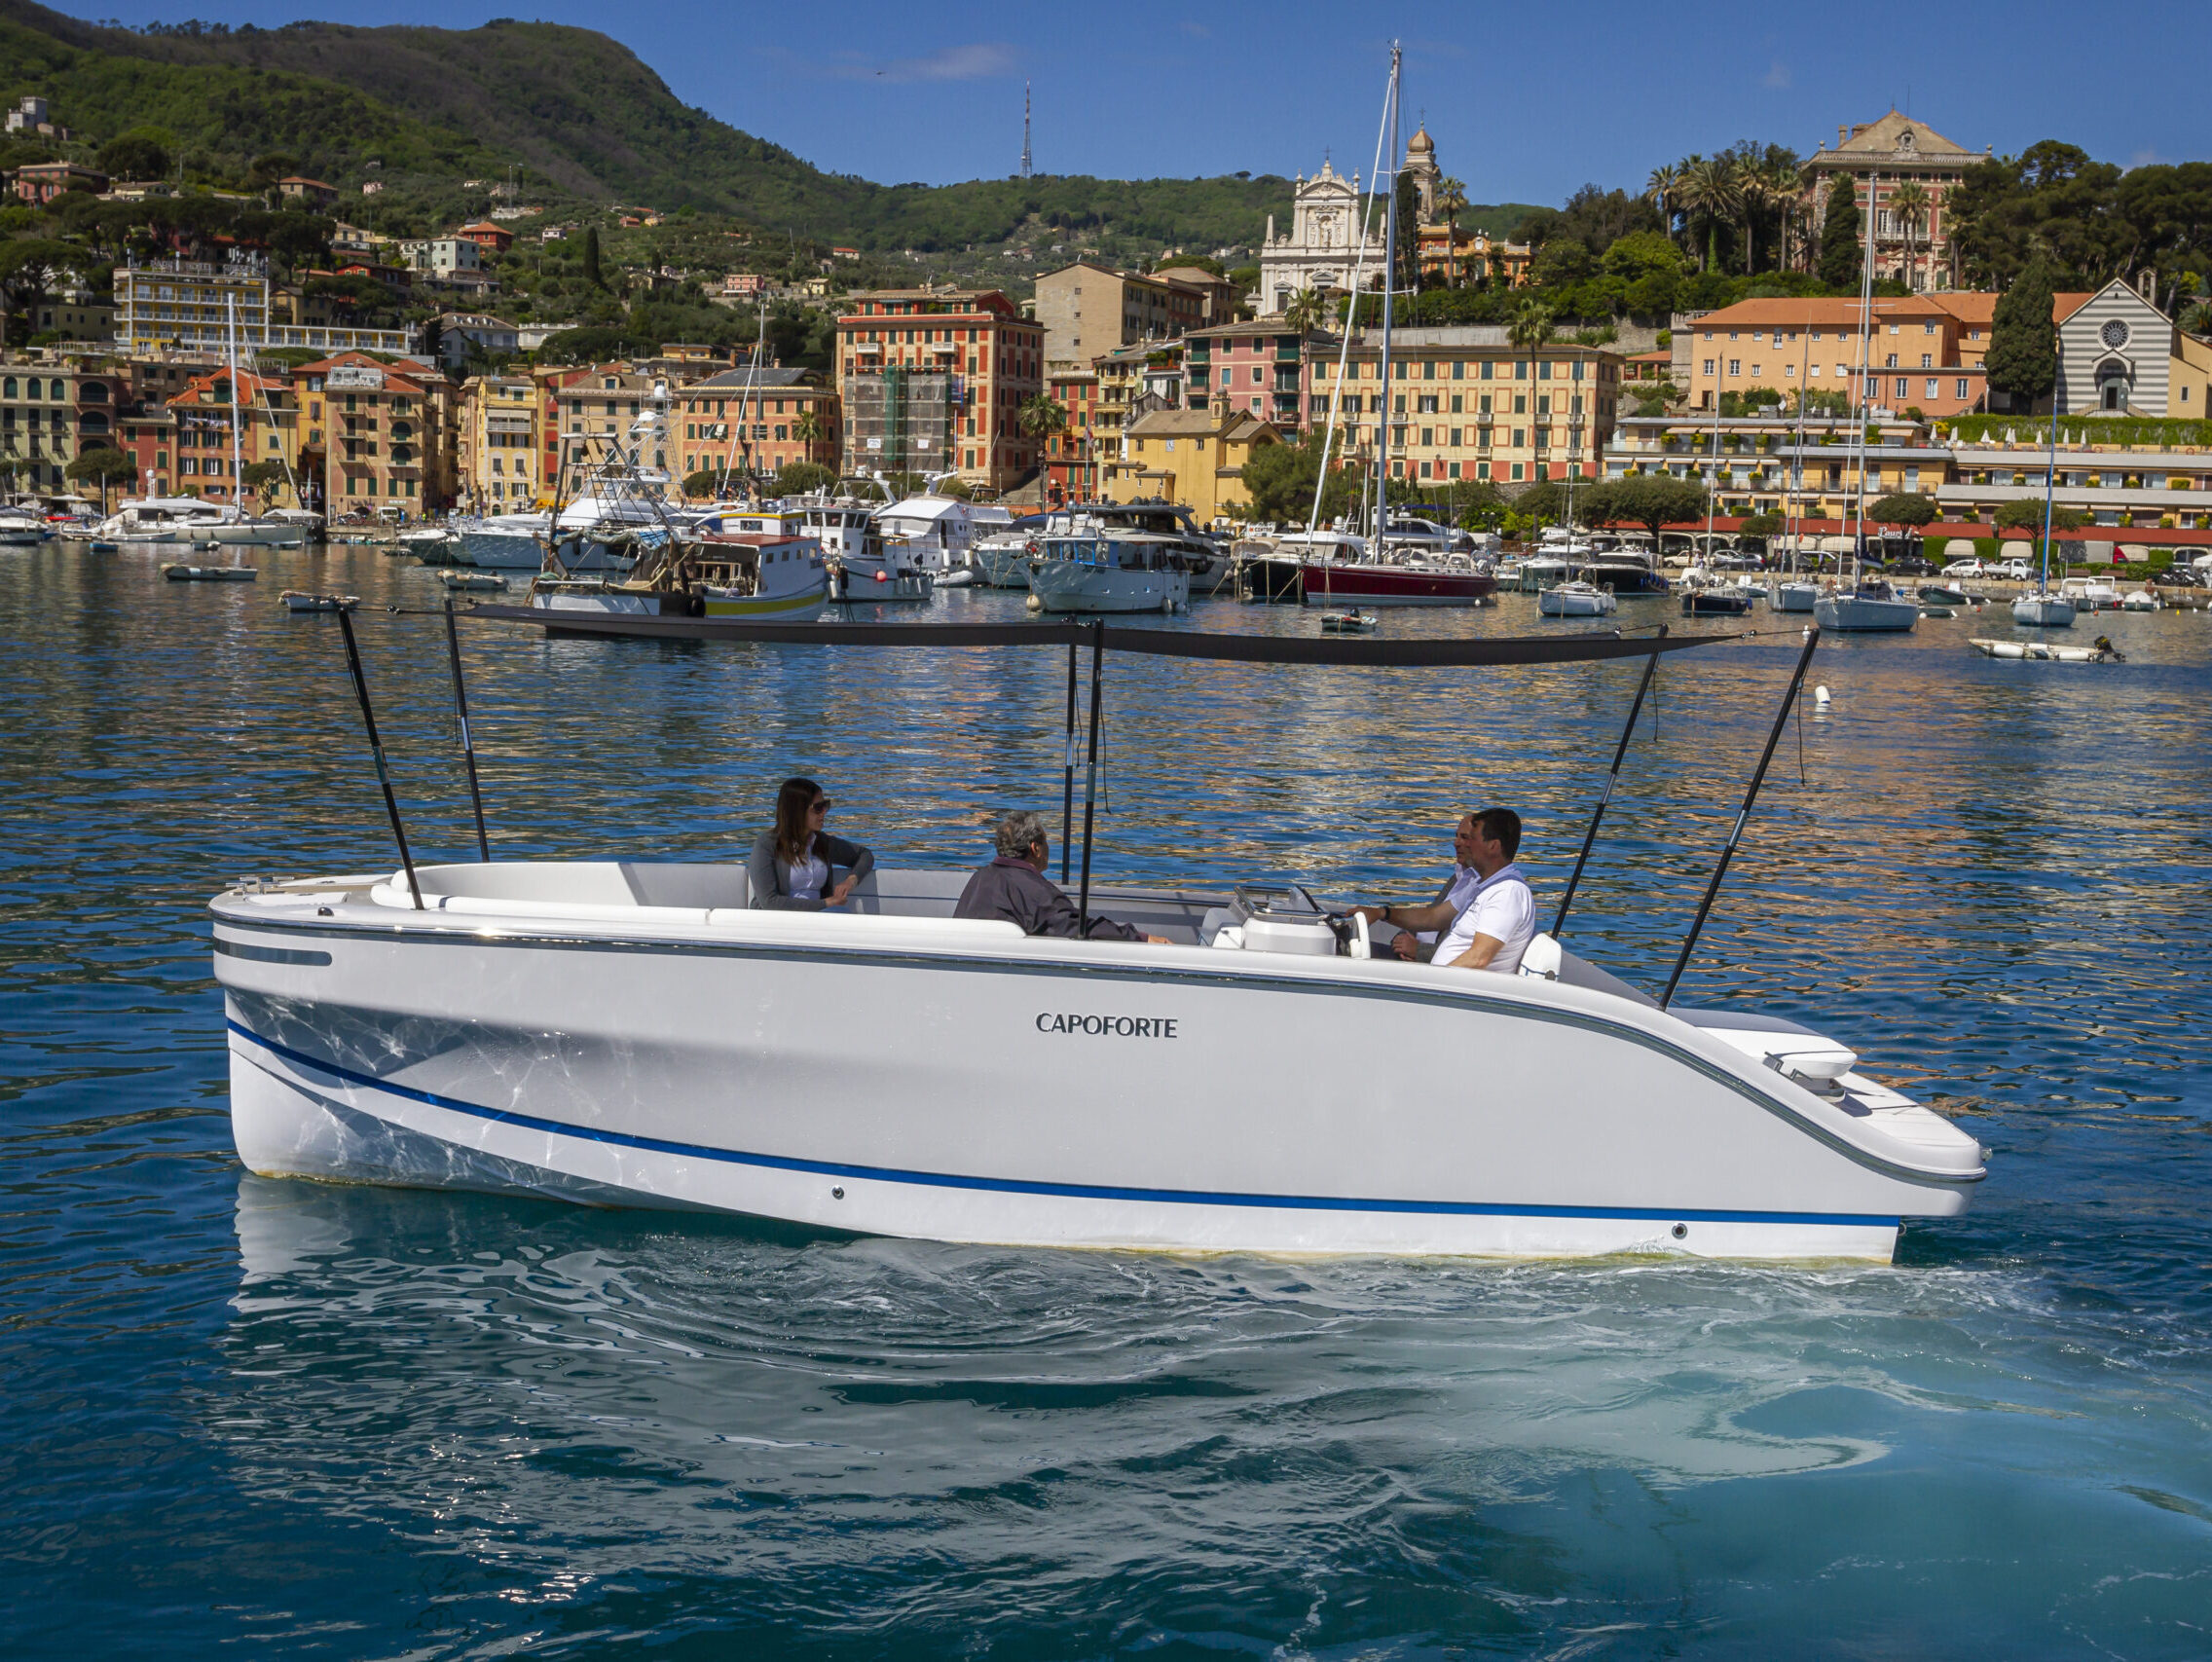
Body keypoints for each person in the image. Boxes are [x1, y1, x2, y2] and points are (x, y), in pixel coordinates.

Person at [1350, 808, 1534, 974]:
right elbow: (1433, 917)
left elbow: (1479, 958)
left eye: (1472, 839)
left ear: (1493, 846)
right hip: (1442, 982)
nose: (1465, 845)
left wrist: (1434, 979)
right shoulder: (1482, 886)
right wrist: (1382, 913)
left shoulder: (1508, 892)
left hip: (1453, 990)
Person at [954, 810, 1169, 943]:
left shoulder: (979, 879)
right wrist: (1140, 938)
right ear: (1035, 848)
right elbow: (1076, 928)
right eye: (1046, 841)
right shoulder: (1035, 891)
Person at [748, 777, 874, 910]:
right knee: (841, 911)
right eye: (818, 808)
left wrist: (851, 881)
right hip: (777, 919)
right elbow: (769, 902)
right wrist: (827, 903)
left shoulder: (822, 842)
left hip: (819, 917)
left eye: (825, 805)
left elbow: (864, 855)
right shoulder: (766, 845)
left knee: (842, 912)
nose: (824, 812)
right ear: (797, 810)